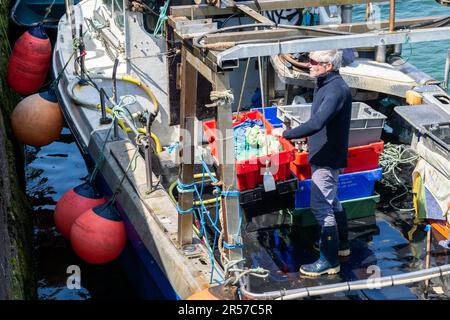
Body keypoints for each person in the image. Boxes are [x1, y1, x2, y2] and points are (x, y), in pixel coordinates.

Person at [273, 49, 352, 277]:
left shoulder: (335, 90)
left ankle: (329, 260)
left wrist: (287, 134)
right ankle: (342, 245)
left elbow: (317, 122)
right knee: (333, 200)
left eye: (314, 62)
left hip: (327, 158)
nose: (309, 65)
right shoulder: (326, 83)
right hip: (328, 153)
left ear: (328, 66)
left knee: (321, 207)